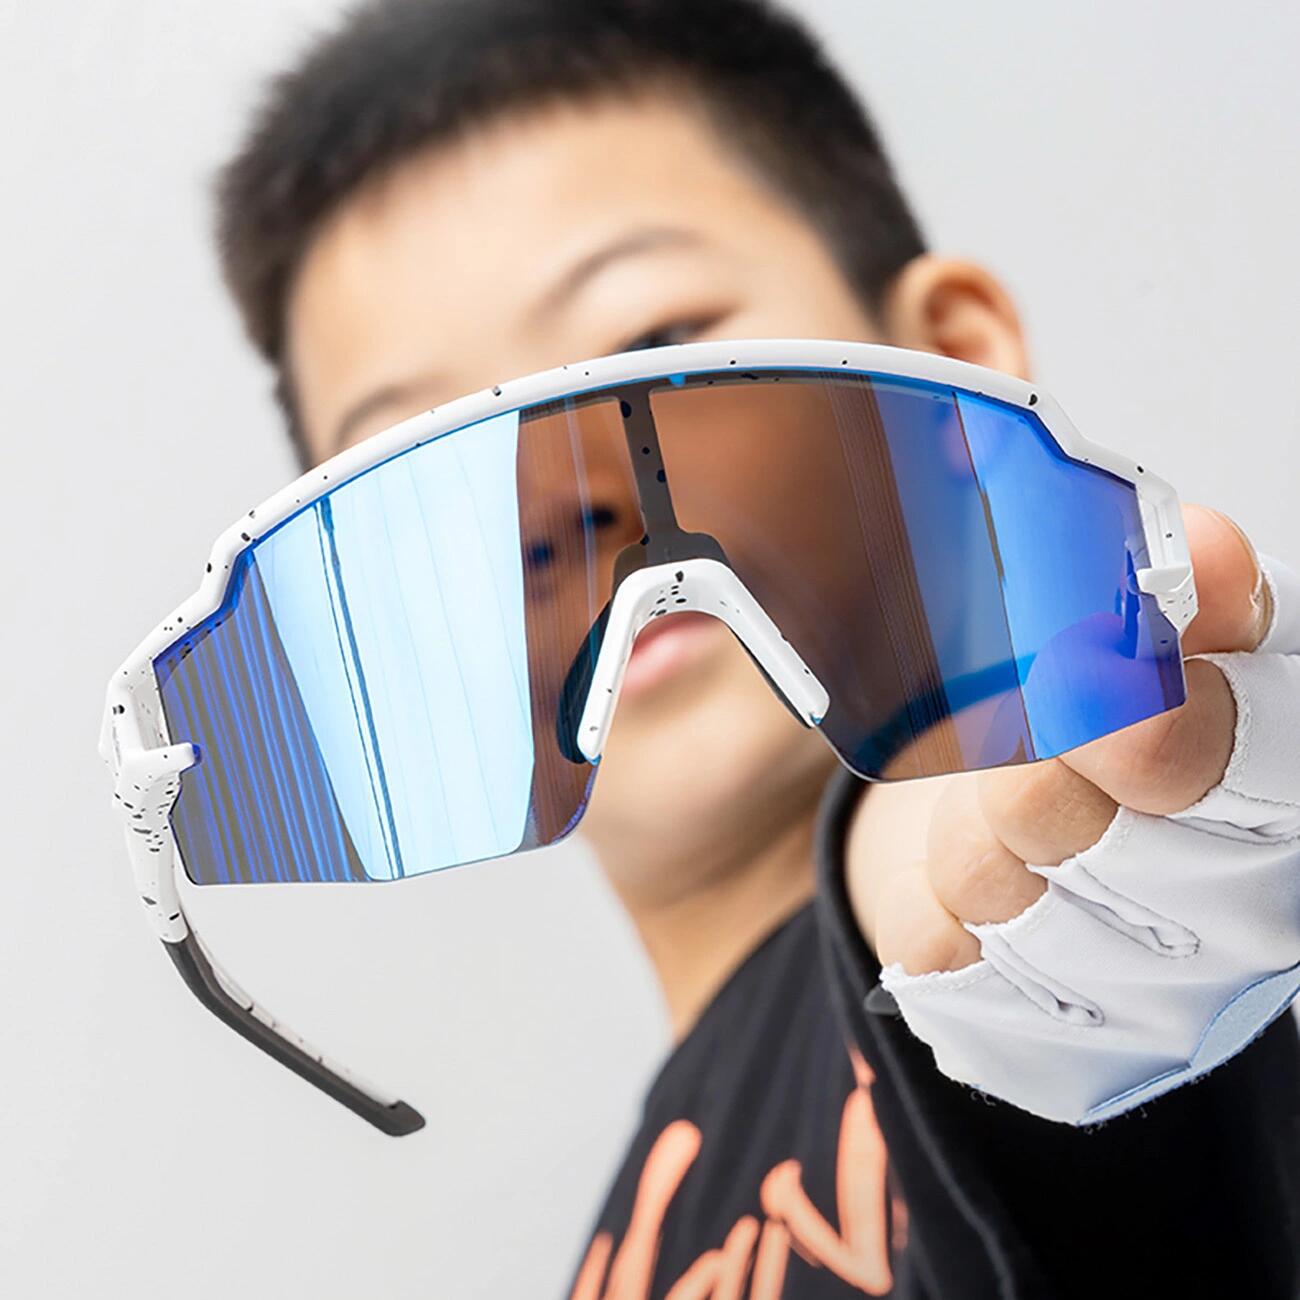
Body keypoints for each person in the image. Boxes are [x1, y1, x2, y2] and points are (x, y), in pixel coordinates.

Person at [215, 1, 1300, 1294]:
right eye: (416, 481)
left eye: (653, 350)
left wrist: (1010, 873)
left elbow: (943, 881)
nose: (547, 503)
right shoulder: (621, 1248)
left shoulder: (1005, 949)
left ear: (950, 366)